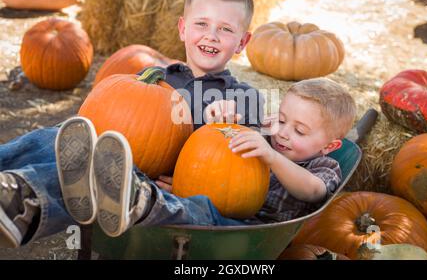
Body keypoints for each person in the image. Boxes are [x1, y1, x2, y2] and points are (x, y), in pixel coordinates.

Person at [0, 0, 264, 248]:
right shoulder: (152, 78)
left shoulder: (243, 97)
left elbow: (251, 171)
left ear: (242, 43)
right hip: (114, 164)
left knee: (103, 176)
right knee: (62, 139)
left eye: (225, 29)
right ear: (183, 29)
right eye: (202, 24)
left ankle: (25, 205)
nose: (211, 35)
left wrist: (231, 123)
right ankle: (9, 185)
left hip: (151, 192)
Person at [56, 77, 356, 238]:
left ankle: (135, 202)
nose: (283, 132)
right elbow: (218, 157)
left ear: (330, 146)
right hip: (209, 204)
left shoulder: (323, 166)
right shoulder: (267, 135)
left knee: (200, 213)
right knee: (181, 197)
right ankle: (111, 186)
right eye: (281, 118)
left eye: (300, 130)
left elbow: (314, 191)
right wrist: (221, 121)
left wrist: (271, 157)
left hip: (245, 232)